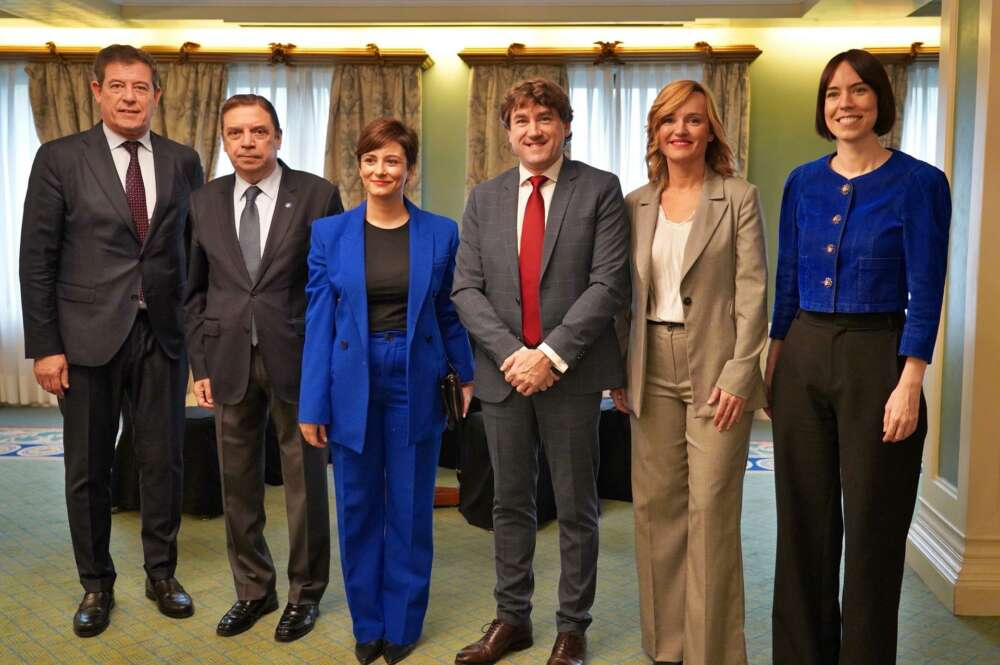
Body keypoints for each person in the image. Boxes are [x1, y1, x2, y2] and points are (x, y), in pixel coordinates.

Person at [766, 49, 951, 665]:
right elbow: (787, 281)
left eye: (859, 91)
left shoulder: (921, 182)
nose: (845, 103)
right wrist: (775, 361)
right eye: (832, 93)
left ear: (880, 101)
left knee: (873, 526)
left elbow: (926, 288)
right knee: (802, 525)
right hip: (804, 352)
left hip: (880, 358)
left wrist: (910, 379)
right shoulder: (801, 181)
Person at [19, 44, 203, 637]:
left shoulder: (183, 160)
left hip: (162, 336)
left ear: (156, 95)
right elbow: (37, 258)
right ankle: (96, 584)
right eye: (118, 86)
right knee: (88, 468)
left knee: (163, 463)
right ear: (96, 91)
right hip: (85, 338)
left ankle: (161, 574)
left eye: (141, 87)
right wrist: (46, 345)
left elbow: (194, 256)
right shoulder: (59, 158)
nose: (130, 97)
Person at [452, 79, 630, 665]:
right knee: (509, 502)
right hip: (505, 376)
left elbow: (608, 285)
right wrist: (514, 356)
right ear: (508, 131)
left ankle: (572, 628)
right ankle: (512, 620)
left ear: (566, 125)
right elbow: (467, 289)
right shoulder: (484, 198)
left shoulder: (601, 190)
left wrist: (548, 356)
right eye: (522, 120)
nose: (534, 129)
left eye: (545, 118)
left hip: (571, 376)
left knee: (577, 504)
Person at [298, 117, 474, 665]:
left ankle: (401, 624)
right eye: (371, 159)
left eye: (392, 160)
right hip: (350, 375)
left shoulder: (440, 232)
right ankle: (367, 622)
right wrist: (312, 402)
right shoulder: (331, 234)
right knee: (357, 505)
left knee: (410, 505)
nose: (381, 170)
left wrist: (465, 374)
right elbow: (319, 320)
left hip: (415, 374)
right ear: (358, 167)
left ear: (409, 170)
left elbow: (448, 310)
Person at [610, 79, 768, 665]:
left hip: (716, 368)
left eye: (694, 120)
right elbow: (622, 295)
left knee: (711, 508)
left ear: (711, 131)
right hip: (648, 364)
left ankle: (713, 652)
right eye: (670, 120)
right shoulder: (635, 203)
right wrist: (619, 369)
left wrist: (739, 374)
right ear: (655, 131)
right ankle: (667, 645)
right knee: (656, 510)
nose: (681, 130)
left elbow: (753, 293)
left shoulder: (739, 197)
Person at [184, 94, 343, 642]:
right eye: (235, 133)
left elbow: (332, 290)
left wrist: (327, 367)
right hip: (226, 358)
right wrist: (199, 363)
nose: (247, 143)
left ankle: (305, 594)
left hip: (298, 358)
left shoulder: (318, 195)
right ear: (224, 140)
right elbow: (194, 290)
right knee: (238, 483)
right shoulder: (202, 201)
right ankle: (253, 589)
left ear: (278, 137)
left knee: (305, 484)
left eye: (258, 132)